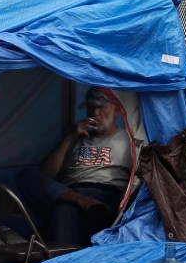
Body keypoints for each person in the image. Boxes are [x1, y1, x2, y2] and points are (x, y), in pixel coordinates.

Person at [15, 86, 133, 247]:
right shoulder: (76, 137)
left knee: (65, 210)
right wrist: (70, 136)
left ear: (117, 110)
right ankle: (81, 201)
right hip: (70, 193)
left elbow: (137, 178)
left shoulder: (128, 140)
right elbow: (47, 174)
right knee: (26, 175)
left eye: (101, 107)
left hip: (104, 196)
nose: (95, 113)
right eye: (91, 107)